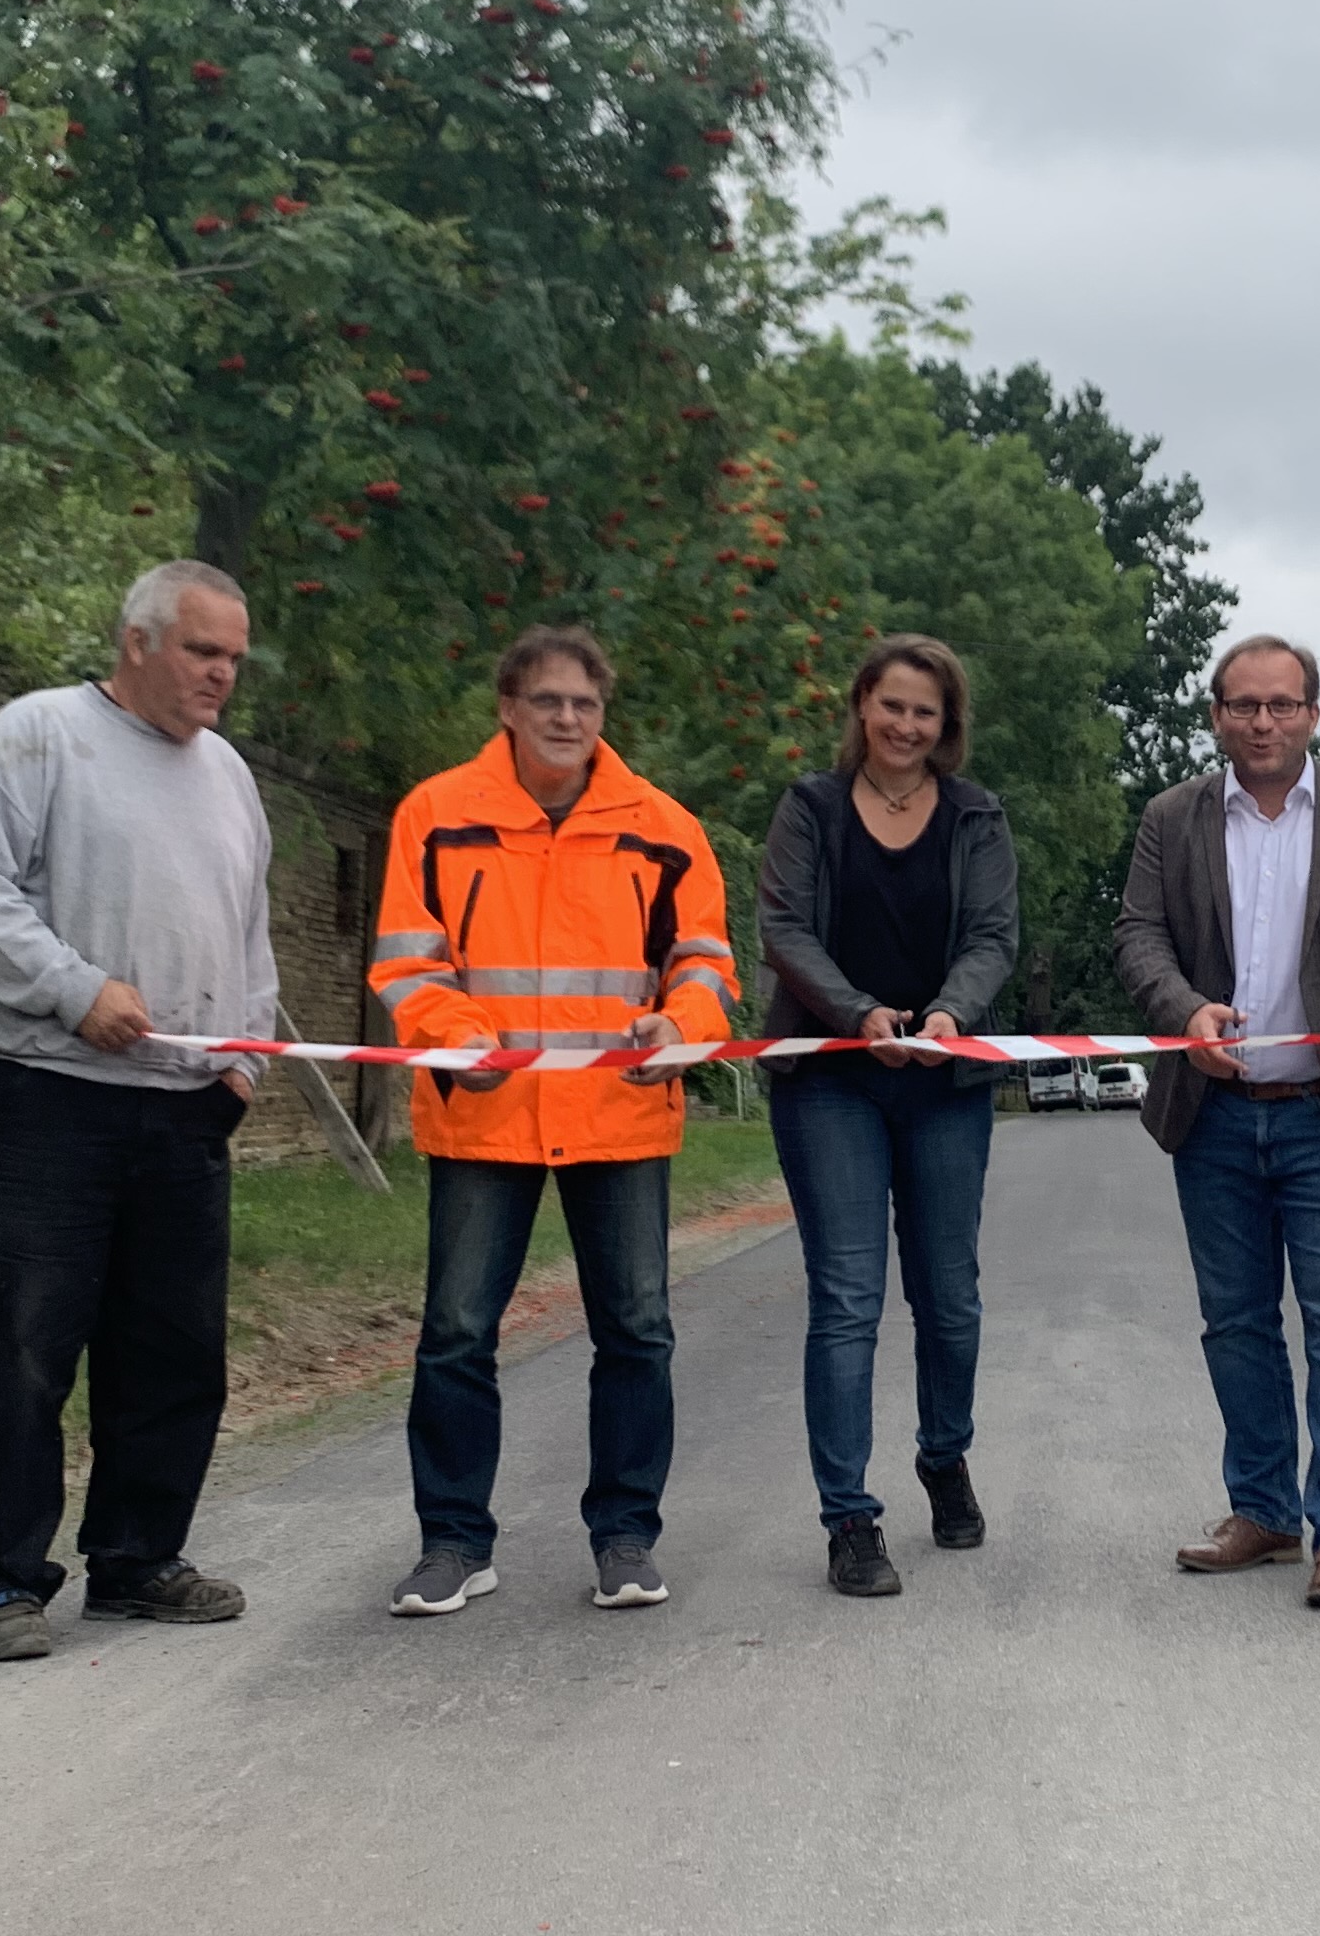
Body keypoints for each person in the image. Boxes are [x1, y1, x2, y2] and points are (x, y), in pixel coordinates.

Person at [0, 559, 278, 1663]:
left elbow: (249, 931)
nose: (221, 674)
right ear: (138, 642)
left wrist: (243, 1061)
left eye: (234, 657)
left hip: (183, 1114)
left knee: (175, 1353)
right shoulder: (40, 737)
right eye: (203, 650)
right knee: (23, 1347)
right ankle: (5, 1583)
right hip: (46, 1104)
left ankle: (138, 1559)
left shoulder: (229, 776)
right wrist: (73, 990)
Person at [372, 627, 740, 1617]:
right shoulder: (436, 816)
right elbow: (407, 962)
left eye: (584, 703)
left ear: (602, 714)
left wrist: (683, 1023)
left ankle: (626, 1539)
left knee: (637, 1333)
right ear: (508, 708)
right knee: (456, 1333)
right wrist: (459, 1035)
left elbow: (707, 962)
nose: (567, 718)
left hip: (620, 1112)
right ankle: (453, 1543)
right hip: (483, 1114)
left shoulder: (663, 827)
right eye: (547, 701)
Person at [1113, 635, 1320, 1611]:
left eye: (1282, 705)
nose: (1264, 722)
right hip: (1214, 1117)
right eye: (1245, 705)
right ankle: (1262, 1512)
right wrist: (1183, 1012)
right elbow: (1139, 935)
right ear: (1216, 715)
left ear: (1313, 714)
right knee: (1237, 1325)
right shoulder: (1170, 818)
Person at [755, 637, 1023, 1599]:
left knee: (949, 1297)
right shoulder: (810, 808)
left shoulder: (976, 816)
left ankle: (943, 1456)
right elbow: (783, 928)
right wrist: (858, 1013)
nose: (907, 726)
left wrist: (948, 1015)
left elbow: (993, 935)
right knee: (847, 1298)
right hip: (832, 1075)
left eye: (926, 712)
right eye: (893, 706)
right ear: (862, 706)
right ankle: (849, 1518)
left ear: (947, 724)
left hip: (944, 1080)